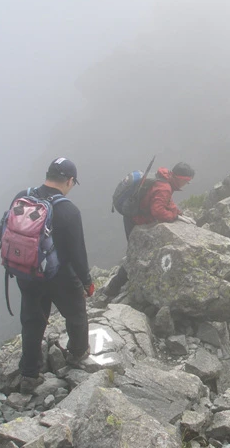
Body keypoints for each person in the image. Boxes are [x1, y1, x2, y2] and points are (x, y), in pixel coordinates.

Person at [12, 158, 95, 394]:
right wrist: (87, 282)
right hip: (58, 276)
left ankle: (29, 374)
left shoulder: (23, 196)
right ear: (70, 180)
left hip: (26, 271)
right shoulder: (68, 210)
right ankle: (77, 354)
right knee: (76, 313)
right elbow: (77, 253)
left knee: (32, 321)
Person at [104, 162, 196, 296]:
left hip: (132, 217)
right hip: (136, 221)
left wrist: (178, 213)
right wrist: (174, 216)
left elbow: (165, 201)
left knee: (136, 253)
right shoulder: (165, 187)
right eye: (187, 181)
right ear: (181, 178)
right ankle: (113, 288)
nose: (186, 184)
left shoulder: (164, 178)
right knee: (135, 255)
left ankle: (122, 283)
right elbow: (158, 211)